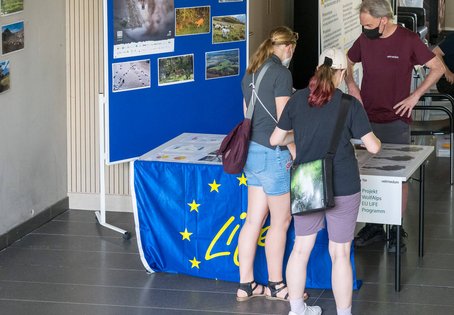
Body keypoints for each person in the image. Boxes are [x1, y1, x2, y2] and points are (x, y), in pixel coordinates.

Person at [270, 48, 381, 315]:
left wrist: (296, 139)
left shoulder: (297, 100)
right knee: (340, 253)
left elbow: (276, 139)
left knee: (300, 249)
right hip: (343, 182)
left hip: (307, 181)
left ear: (317, 69)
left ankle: (297, 310)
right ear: (342, 74)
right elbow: (373, 147)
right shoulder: (349, 105)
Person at [345, 0, 445, 252]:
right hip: (366, 119)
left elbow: (438, 68)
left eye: (368, 24)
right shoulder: (365, 39)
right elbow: (347, 62)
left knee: (398, 177)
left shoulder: (408, 40)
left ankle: (396, 229)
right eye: (362, 25)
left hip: (396, 119)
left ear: (383, 20)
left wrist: (415, 96)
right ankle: (375, 226)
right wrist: (352, 87)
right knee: (367, 175)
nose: (364, 29)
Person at [236, 26, 307, 302]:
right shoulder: (282, 73)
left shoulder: (251, 71)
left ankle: (246, 285)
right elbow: (283, 121)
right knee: (281, 220)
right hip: (272, 154)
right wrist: (295, 148)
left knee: (254, 219)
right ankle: (277, 285)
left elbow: (247, 115)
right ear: (288, 47)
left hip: (251, 152)